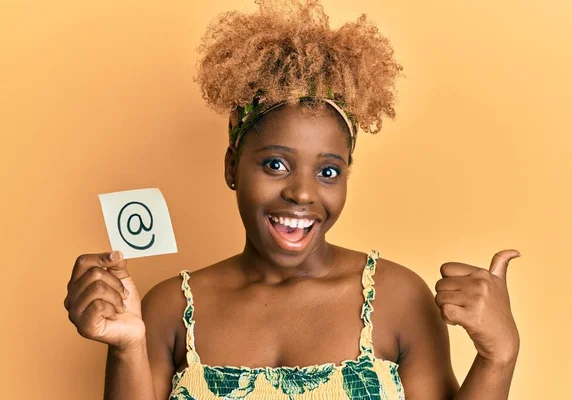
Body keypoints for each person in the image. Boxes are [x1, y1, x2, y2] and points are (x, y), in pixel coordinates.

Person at [64, 1, 522, 399]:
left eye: (328, 172)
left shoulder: (397, 299)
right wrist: (126, 347)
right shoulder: (166, 309)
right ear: (231, 167)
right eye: (276, 165)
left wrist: (497, 358)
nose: (302, 193)